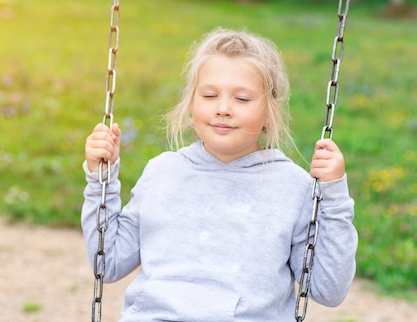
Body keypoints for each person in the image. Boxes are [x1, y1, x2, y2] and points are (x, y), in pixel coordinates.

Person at [81, 28, 357, 321]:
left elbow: (328, 290)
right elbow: (106, 263)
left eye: (242, 99)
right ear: (192, 101)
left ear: (269, 112)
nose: (223, 109)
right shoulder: (162, 172)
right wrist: (101, 179)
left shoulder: (292, 187)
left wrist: (334, 197)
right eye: (210, 95)